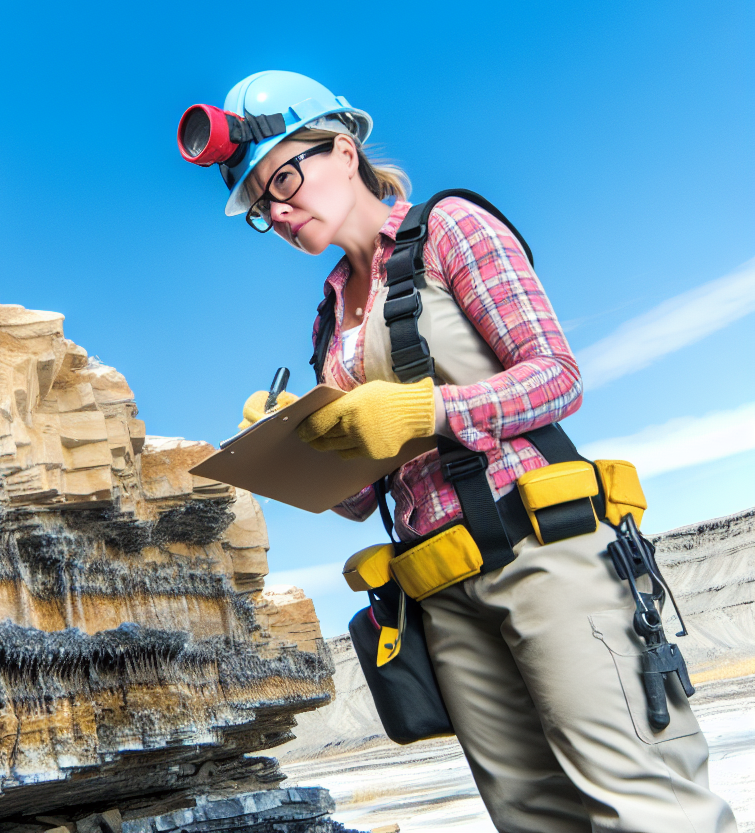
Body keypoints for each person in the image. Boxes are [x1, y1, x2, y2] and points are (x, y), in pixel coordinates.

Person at [178, 71, 737, 833]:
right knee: (530, 815)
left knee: (643, 800)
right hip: (441, 593)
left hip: (546, 556)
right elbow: (359, 497)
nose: (278, 211)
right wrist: (296, 442)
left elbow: (556, 377)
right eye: (259, 206)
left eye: (283, 178)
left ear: (343, 150)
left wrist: (428, 407)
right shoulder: (327, 324)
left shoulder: (451, 229)